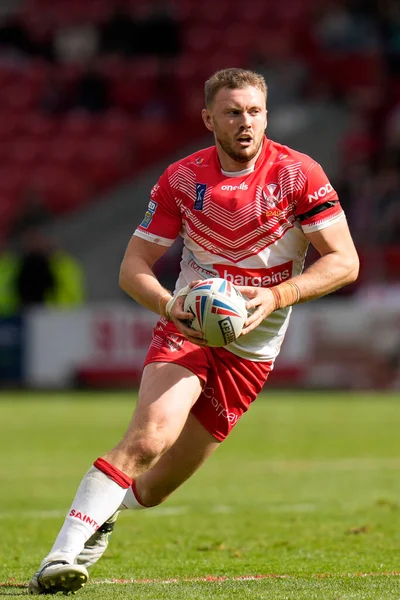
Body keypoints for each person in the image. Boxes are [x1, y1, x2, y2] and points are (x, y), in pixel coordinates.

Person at [28, 67, 359, 594]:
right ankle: (61, 557)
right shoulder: (182, 179)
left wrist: (277, 294)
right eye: (232, 112)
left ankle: (108, 513)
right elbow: (132, 266)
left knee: (155, 488)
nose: (245, 122)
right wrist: (170, 304)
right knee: (148, 437)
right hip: (189, 330)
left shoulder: (299, 175)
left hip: (253, 352)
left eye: (254, 111)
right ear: (209, 119)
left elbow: (344, 262)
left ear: (266, 115)